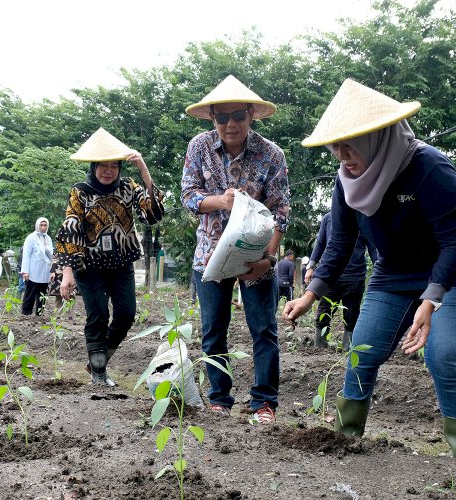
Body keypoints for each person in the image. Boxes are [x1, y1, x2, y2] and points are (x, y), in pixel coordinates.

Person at [284, 79, 456, 462]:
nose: (342, 154)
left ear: (377, 136)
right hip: (394, 271)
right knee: (362, 351)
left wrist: (431, 300)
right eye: (335, 145)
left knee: (443, 353)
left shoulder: (428, 167)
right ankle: (345, 440)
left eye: (351, 143)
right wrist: (310, 294)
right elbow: (341, 244)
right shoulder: (346, 179)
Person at [181, 75, 290, 424]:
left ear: (251, 116)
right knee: (214, 328)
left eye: (238, 116)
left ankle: (263, 404)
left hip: (255, 256)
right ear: (212, 118)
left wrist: (268, 258)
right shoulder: (198, 147)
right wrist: (219, 201)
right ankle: (220, 398)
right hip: (210, 255)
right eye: (222, 117)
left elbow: (280, 210)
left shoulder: (271, 154)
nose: (231, 124)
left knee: (264, 329)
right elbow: (188, 196)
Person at [57, 128, 164, 386]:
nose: (108, 171)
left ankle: (99, 359)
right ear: (94, 167)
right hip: (89, 266)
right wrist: (67, 274)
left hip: (121, 263)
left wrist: (143, 169)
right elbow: (71, 229)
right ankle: (98, 372)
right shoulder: (80, 192)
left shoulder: (129, 187)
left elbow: (152, 214)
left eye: (114, 166)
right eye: (102, 166)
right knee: (98, 315)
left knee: (126, 314)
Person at [305, 211, 376, 348]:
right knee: (324, 312)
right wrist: (310, 267)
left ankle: (348, 348)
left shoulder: (363, 217)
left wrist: (380, 267)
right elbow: (320, 242)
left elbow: (372, 246)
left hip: (355, 277)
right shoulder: (328, 218)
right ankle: (320, 346)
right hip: (330, 276)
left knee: (351, 314)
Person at [21, 217, 53, 316]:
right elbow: (26, 255)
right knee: (30, 292)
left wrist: (53, 270)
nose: (43, 227)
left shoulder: (48, 238)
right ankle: (26, 312)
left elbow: (51, 256)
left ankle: (40, 313)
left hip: (45, 270)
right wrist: (25, 271)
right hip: (33, 270)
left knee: (42, 293)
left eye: (45, 225)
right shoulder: (31, 237)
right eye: (41, 225)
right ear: (37, 225)